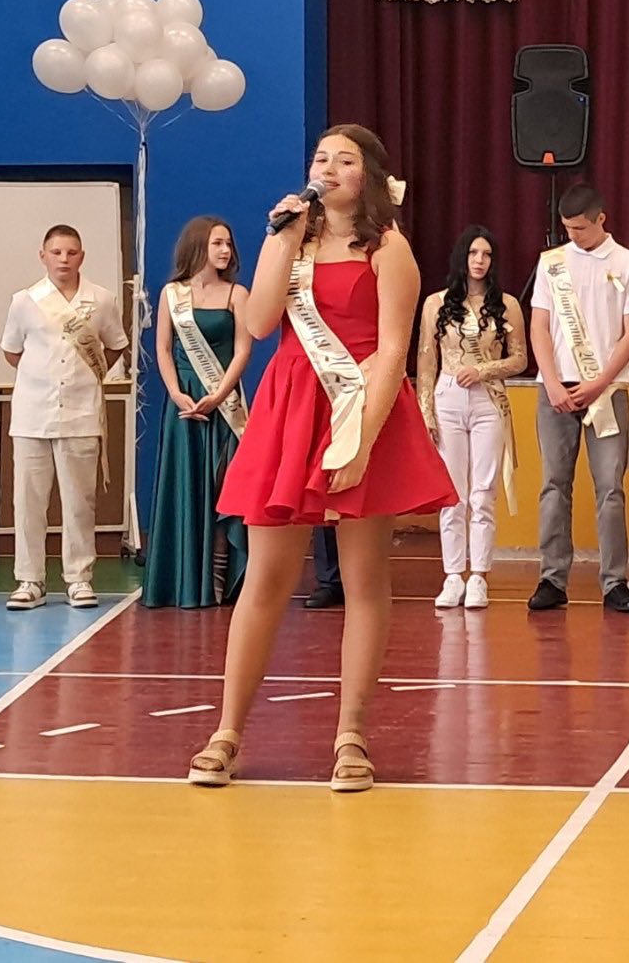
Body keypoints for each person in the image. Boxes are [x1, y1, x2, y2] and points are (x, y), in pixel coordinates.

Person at [187, 125, 455, 791]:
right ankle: (227, 733)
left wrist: (361, 439)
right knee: (266, 577)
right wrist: (282, 237)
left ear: (368, 177)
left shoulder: (389, 247)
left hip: (360, 407)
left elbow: (392, 350)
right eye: (320, 158)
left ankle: (351, 736)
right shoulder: (291, 240)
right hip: (291, 407)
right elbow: (259, 324)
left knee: (363, 579)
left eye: (345, 160)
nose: (329, 168)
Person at [527, 184, 629, 613]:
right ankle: (552, 578)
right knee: (553, 484)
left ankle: (614, 580)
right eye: (567, 228)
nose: (573, 235)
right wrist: (551, 382)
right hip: (556, 388)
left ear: (601, 219)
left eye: (580, 228)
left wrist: (599, 382)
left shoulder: (628, 262)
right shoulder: (552, 263)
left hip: (607, 391)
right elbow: (539, 325)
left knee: (610, 488)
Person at [0, 224, 128, 610]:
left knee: (79, 502)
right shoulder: (24, 301)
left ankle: (79, 578)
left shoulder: (101, 300)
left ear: (81, 257)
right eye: (56, 252)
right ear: (43, 256)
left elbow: (114, 346)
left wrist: (84, 376)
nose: (64, 260)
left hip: (81, 413)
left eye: (71, 253)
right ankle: (30, 579)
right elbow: (12, 352)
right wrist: (41, 376)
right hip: (31, 415)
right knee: (28, 501)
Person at [144, 216, 251, 609]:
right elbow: (163, 348)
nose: (225, 250)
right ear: (197, 246)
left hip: (224, 401)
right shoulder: (172, 294)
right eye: (217, 243)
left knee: (224, 490)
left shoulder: (237, 294)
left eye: (228, 243)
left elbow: (243, 350)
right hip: (185, 402)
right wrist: (175, 393)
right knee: (186, 485)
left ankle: (218, 578)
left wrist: (220, 394)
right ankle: (185, 579)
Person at [418, 225, 526, 610]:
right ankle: (452, 575)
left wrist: (483, 370)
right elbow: (426, 362)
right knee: (453, 494)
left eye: (487, 254)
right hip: (447, 396)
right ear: (462, 257)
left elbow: (520, 359)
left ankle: (479, 575)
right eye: (474, 253)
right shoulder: (436, 304)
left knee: (483, 492)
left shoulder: (507, 304)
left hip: (488, 400)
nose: (480, 261)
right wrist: (426, 412)